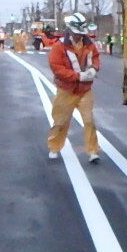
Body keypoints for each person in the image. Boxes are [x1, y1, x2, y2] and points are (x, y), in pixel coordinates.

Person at [47, 13, 102, 163]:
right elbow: (57, 68)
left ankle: (93, 151)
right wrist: (77, 76)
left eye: (81, 33)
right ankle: (54, 147)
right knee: (60, 121)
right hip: (66, 90)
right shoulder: (59, 47)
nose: (79, 36)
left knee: (89, 120)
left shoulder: (89, 44)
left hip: (85, 90)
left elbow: (96, 57)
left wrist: (94, 69)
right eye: (77, 33)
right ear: (70, 31)